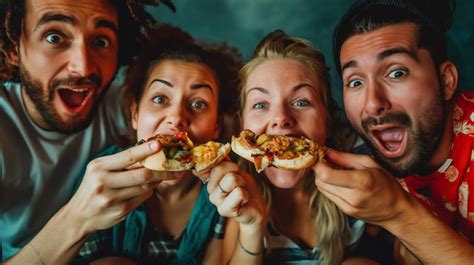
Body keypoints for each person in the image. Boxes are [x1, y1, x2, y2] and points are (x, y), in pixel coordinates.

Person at [0, 0, 176, 263]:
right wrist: (78, 219)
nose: (82, 67)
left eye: (101, 42)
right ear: (14, 47)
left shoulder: (131, 108)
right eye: (54, 37)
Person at [314, 0, 474, 263]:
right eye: (355, 81)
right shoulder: (365, 157)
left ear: (446, 81)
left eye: (396, 73)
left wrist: (398, 213)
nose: (373, 103)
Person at [197, 30, 376, 265]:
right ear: (244, 125)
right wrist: (253, 227)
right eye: (261, 104)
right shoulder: (232, 188)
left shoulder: (362, 164)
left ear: (327, 120)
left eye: (301, 102)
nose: (280, 118)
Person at [73, 24, 242, 265]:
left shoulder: (231, 188)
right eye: (160, 98)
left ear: (216, 126)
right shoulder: (101, 180)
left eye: (198, 104)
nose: (177, 117)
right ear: (135, 114)